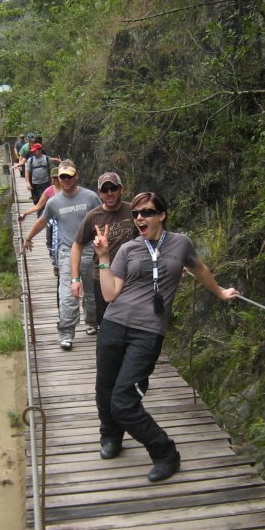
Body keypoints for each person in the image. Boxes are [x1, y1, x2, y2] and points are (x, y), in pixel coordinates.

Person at [92, 190, 238, 482]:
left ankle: (165, 453)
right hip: (114, 323)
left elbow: (199, 269)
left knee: (123, 400)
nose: (139, 218)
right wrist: (104, 257)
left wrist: (220, 292)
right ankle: (110, 436)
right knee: (105, 389)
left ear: (162, 215)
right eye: (135, 214)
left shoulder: (180, 243)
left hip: (148, 331)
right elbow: (110, 294)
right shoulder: (128, 249)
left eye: (146, 212)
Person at [21, 160, 99, 350]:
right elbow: (42, 220)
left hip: (89, 249)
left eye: (69, 176)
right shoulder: (54, 201)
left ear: (76, 176)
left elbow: (102, 218)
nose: (66, 179)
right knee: (67, 294)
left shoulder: (90, 197)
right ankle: (66, 333)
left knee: (90, 292)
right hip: (66, 251)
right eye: (62, 176)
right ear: (58, 178)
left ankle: (91, 322)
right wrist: (28, 238)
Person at [70, 171, 133, 335]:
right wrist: (75, 279)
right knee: (107, 327)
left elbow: (153, 236)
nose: (109, 193)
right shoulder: (93, 216)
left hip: (131, 278)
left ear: (121, 189)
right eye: (105, 190)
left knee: (131, 326)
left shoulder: (134, 211)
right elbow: (77, 245)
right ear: (100, 193)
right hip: (102, 280)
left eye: (113, 188)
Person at [19, 167, 62, 272]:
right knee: (50, 242)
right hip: (51, 221)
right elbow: (38, 206)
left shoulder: (68, 190)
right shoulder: (49, 191)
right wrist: (26, 213)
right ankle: (55, 264)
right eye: (54, 178)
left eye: (57, 177)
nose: (55, 180)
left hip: (65, 220)